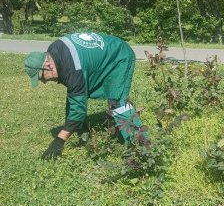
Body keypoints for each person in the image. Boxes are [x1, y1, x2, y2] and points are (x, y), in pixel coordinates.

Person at [24, 32, 149, 160]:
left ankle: (143, 147)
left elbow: (78, 104)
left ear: (48, 66)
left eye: (42, 77)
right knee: (76, 93)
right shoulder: (54, 51)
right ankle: (81, 128)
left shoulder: (72, 68)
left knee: (117, 102)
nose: (44, 82)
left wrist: (59, 140)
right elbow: (75, 94)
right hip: (106, 54)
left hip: (119, 56)